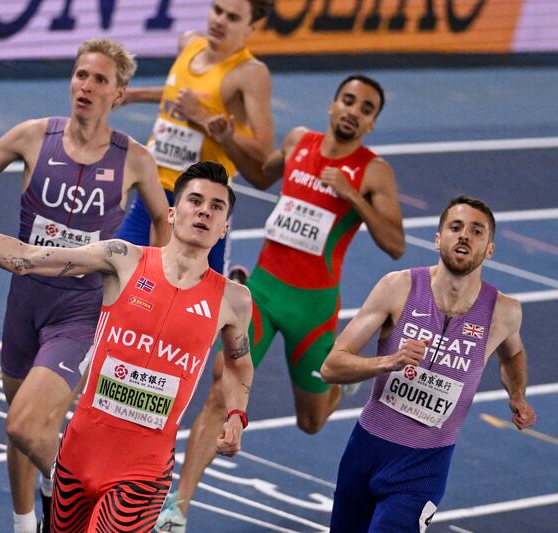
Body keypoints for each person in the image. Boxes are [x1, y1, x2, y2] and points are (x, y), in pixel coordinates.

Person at [0, 39, 171, 533]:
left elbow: (161, 221)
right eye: (81, 74)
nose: (86, 86)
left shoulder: (136, 160)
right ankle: (28, 523)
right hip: (23, 302)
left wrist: (156, 283)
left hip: (81, 310)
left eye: (100, 80)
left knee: (25, 423)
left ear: (120, 94)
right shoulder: (32, 137)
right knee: (20, 426)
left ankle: (84, 498)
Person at [0, 160, 254, 532]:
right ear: (172, 213)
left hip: (143, 473)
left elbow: (238, 363)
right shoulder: (123, 260)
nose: (204, 210)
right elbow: (26, 259)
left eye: (216, 206)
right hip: (77, 455)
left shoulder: (233, 300)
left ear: (224, 228)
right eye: (195, 200)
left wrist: (236, 416)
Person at [156, 74, 406, 531]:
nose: (353, 111)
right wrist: (226, 137)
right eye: (347, 101)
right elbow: (258, 175)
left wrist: (352, 196)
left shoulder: (373, 172)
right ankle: (178, 508)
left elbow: (395, 243)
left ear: (370, 123)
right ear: (332, 106)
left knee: (311, 423)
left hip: (313, 311)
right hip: (263, 295)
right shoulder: (299, 142)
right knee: (220, 391)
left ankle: (339, 387)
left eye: (365, 108)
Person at [320, 195, 536, 531]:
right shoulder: (398, 287)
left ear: (489, 249)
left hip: (423, 467)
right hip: (365, 451)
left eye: (477, 231)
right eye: (456, 227)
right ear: (438, 238)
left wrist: (517, 395)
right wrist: (389, 361)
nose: (464, 235)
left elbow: (514, 353)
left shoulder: (504, 312)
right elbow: (332, 366)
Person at [117, 0, 275, 274]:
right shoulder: (189, 44)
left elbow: (263, 149)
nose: (220, 21)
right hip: (153, 191)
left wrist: (203, 118)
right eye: (217, 10)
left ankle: (235, 283)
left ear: (251, 26)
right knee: (117, 271)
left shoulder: (250, 74)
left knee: (201, 300)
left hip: (200, 205)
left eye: (233, 18)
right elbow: (177, 93)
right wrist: (133, 96)